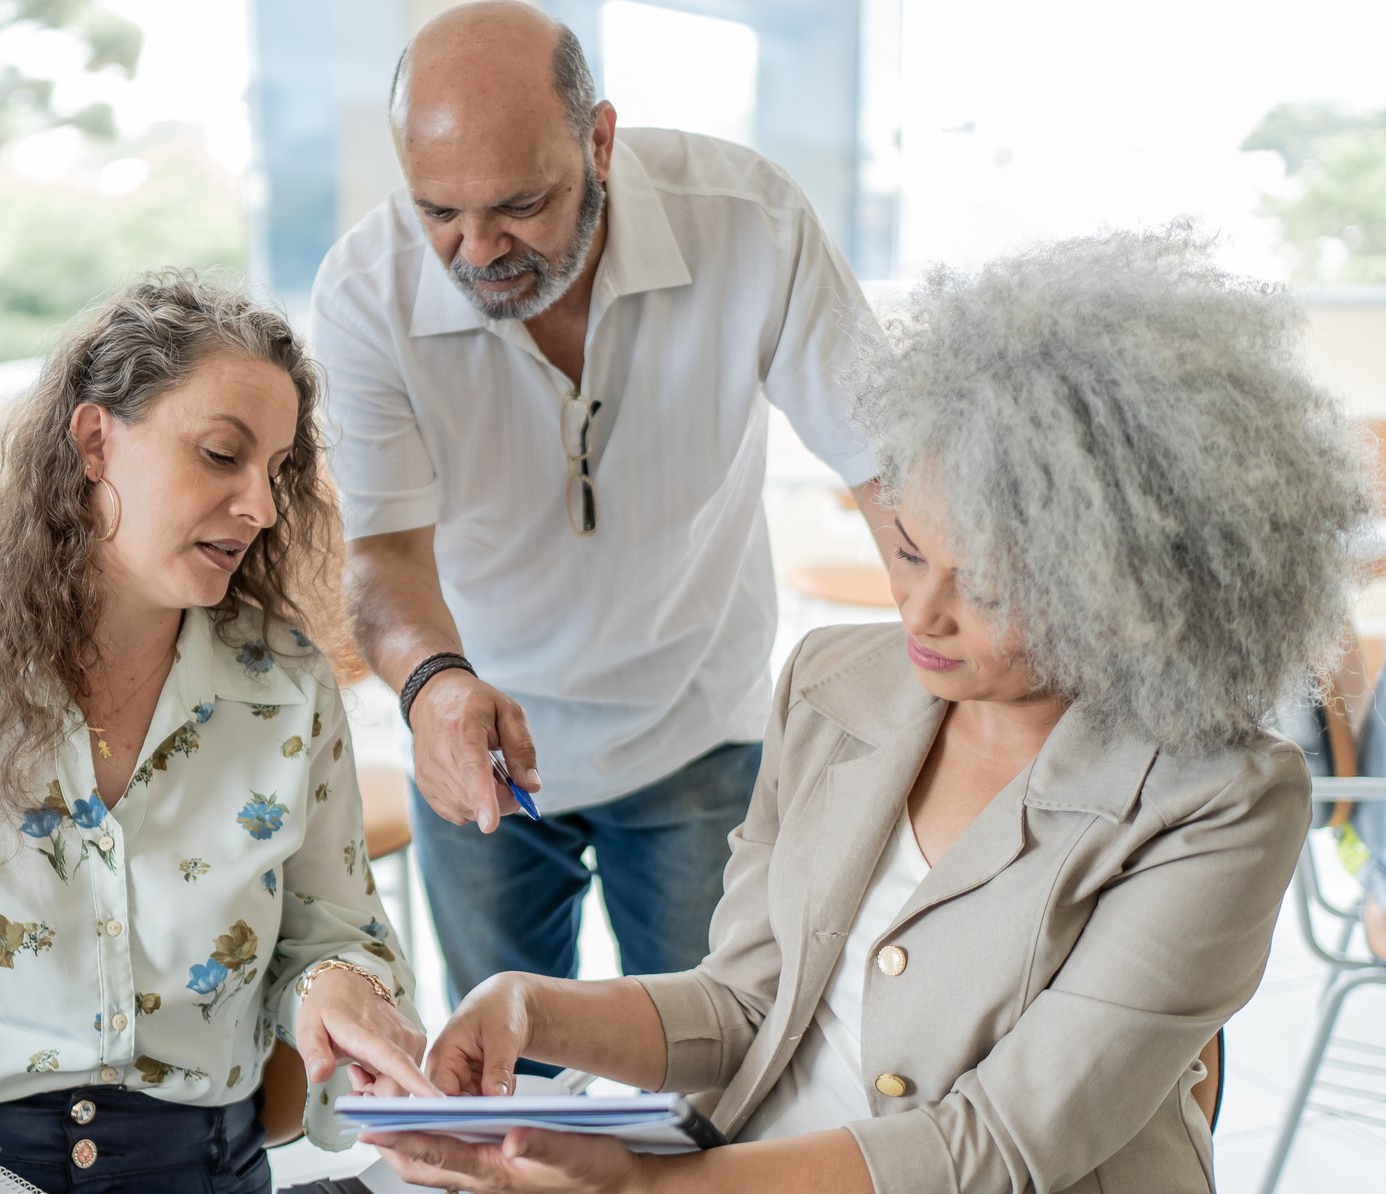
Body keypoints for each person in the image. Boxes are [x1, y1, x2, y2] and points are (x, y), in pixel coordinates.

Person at [357, 228, 1371, 1194]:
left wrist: (641, 1186)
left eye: (989, 590)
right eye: (912, 552)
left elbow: (1001, 1147)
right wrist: (530, 1009)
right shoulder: (836, 684)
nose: (920, 614)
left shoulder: (1219, 802)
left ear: (1129, 588)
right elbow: (747, 1003)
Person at [0, 272, 431, 1194]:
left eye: (276, 469)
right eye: (223, 455)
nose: (261, 506)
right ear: (95, 440)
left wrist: (337, 985)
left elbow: (335, 936)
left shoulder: (286, 688)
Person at [315, 0, 889, 1011]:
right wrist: (433, 690)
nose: (477, 249)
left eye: (520, 204)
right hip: (474, 731)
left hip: (696, 729)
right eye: (438, 210)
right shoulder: (366, 290)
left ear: (601, 139)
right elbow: (384, 555)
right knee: (505, 1069)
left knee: (710, 1060)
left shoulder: (748, 220)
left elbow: (891, 465)